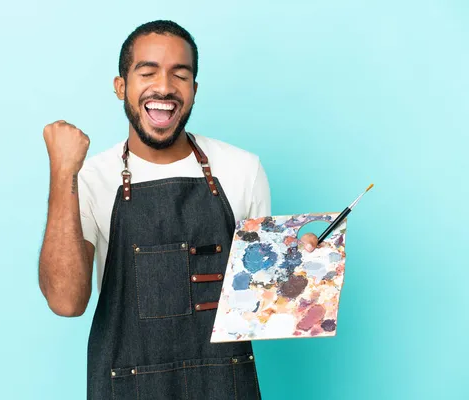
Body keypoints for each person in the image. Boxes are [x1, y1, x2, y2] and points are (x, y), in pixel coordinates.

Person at [38, 20, 319, 400]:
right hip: (127, 388)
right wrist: (62, 173)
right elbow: (65, 301)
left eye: (180, 75)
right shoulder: (89, 178)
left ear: (194, 90)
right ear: (121, 86)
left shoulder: (242, 170)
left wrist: (303, 267)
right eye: (148, 71)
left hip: (223, 386)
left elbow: (262, 307)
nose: (165, 87)